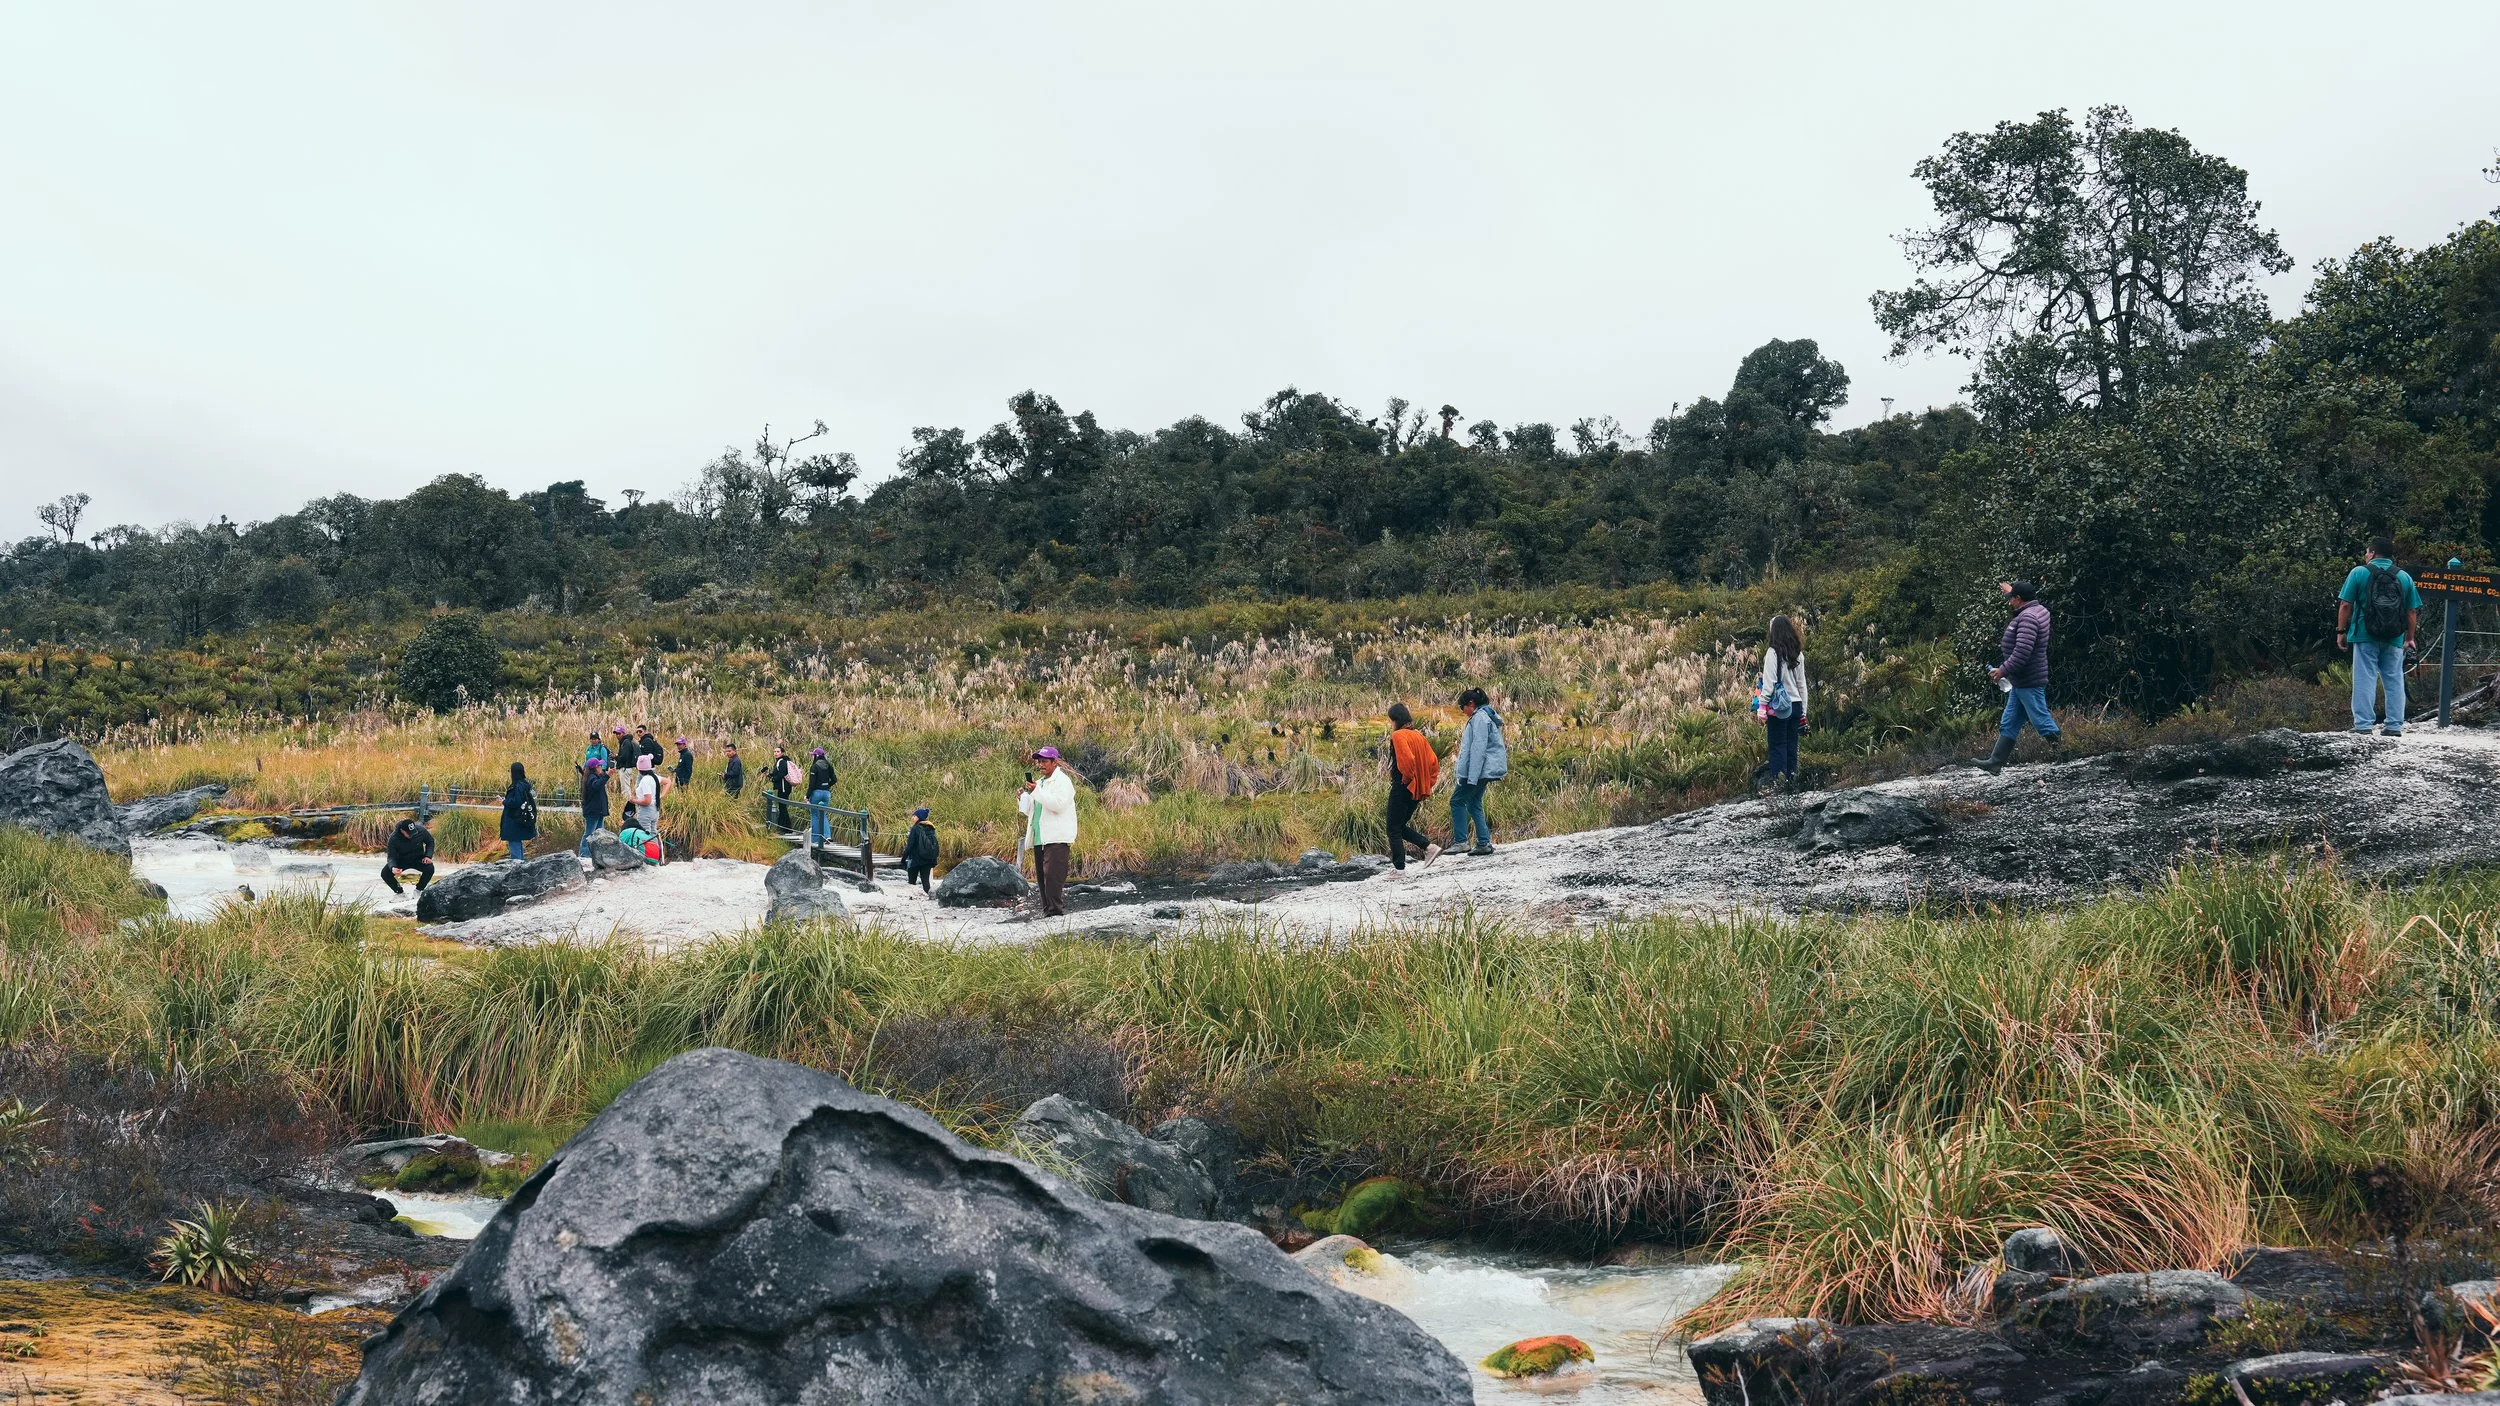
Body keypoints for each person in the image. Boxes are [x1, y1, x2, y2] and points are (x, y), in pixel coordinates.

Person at [2338, 537, 2423, 737]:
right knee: (2394, 679)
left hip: (2364, 635)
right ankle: (2394, 726)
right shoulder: (2403, 577)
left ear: (2373, 553)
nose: (2366, 556)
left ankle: (2363, 725)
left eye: (2367, 553)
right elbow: (2412, 611)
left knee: (2364, 678)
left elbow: (2345, 605)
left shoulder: (2359, 572)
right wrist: (2409, 637)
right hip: (2394, 637)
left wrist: (2341, 631)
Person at [1977, 580, 2060, 773]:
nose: (2009, 602)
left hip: (2028, 679)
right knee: (2010, 721)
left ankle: (2064, 754)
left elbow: (2023, 651)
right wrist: (2011, 591)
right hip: (2021, 680)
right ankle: (1995, 762)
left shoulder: (2028, 618)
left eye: (2011, 598)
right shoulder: (2038, 610)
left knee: (2040, 720)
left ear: (2019, 599)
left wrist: (2002, 670)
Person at [1017, 747, 1079, 916]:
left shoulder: (1063, 782)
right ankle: (1048, 912)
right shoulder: (1041, 782)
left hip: (1056, 836)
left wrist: (1036, 791)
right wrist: (1023, 798)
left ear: (1054, 762)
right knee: (1042, 879)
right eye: (1039, 761)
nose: (1041, 765)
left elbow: (1058, 805)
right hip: (1040, 836)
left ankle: (1055, 912)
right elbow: (1032, 810)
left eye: (1044, 761)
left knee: (1052, 876)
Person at [1752, 616, 1810, 792]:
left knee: (1777, 746)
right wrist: (1803, 711)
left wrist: (1762, 706)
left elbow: (1769, 684)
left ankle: (1780, 785)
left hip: (1779, 708)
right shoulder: (1798, 653)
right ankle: (1792, 783)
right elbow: (1802, 685)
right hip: (1796, 705)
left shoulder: (1773, 653)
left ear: (1774, 631)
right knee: (1792, 745)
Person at [1451, 687, 1509, 856]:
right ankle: (1483, 843)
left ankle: (1461, 842)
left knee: (1457, 801)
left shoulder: (1479, 718)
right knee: (1473, 802)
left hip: (1479, 771)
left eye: (1463, 707)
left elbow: (1478, 749)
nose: (1462, 711)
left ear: (1471, 704)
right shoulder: (1486, 716)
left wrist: (1471, 776)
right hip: (1485, 771)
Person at [1385, 703, 1441, 870]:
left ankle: (1399, 869)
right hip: (1416, 789)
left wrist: (1407, 779)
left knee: (1392, 829)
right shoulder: (1418, 736)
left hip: (1403, 787)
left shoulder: (1399, 735)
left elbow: (1407, 761)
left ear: (1395, 719)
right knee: (1399, 826)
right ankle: (1429, 847)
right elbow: (1434, 763)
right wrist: (1425, 783)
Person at [381, 816, 435, 895]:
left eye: (413, 832)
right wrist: (393, 867)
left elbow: (430, 841)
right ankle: (400, 893)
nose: (411, 835)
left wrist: (428, 856)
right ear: (402, 830)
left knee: (430, 868)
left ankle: (419, 890)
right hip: (402, 860)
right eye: (408, 833)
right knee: (385, 873)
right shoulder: (393, 838)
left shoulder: (421, 830)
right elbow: (391, 856)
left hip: (418, 858)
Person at [631, 753, 664, 859]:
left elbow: (647, 801)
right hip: (655, 810)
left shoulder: (645, 780)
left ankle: (647, 858)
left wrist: (634, 801)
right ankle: (657, 857)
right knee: (653, 834)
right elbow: (668, 782)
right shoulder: (654, 777)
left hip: (646, 811)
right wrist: (660, 796)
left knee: (644, 835)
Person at [901, 806, 941, 894]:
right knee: (926, 882)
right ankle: (932, 896)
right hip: (928, 859)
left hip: (916, 859)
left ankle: (911, 899)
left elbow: (910, 846)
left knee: (911, 880)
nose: (912, 818)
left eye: (914, 816)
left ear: (919, 817)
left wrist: (903, 859)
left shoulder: (915, 829)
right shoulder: (931, 828)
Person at [577, 755, 611, 856]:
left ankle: (596, 854)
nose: (601, 768)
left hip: (598, 811)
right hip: (593, 811)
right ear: (596, 768)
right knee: (589, 833)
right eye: (600, 766)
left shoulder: (591, 777)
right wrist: (607, 775)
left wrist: (605, 775)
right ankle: (584, 854)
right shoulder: (591, 778)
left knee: (599, 834)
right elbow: (596, 786)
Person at [806, 747, 838, 846]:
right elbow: (834, 779)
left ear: (816, 756)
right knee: (823, 814)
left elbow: (812, 784)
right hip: (826, 793)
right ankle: (828, 836)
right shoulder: (829, 765)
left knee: (815, 815)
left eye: (813, 755)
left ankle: (816, 838)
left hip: (816, 792)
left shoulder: (814, 767)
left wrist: (807, 796)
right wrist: (827, 785)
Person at [767, 745, 797, 829]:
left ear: (782, 753)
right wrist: (769, 775)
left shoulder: (782, 761)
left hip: (784, 788)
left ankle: (786, 828)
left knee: (783, 807)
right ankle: (784, 827)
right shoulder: (779, 761)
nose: (775, 753)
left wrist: (773, 779)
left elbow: (781, 774)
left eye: (778, 752)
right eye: (774, 752)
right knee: (782, 807)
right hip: (782, 787)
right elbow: (776, 773)